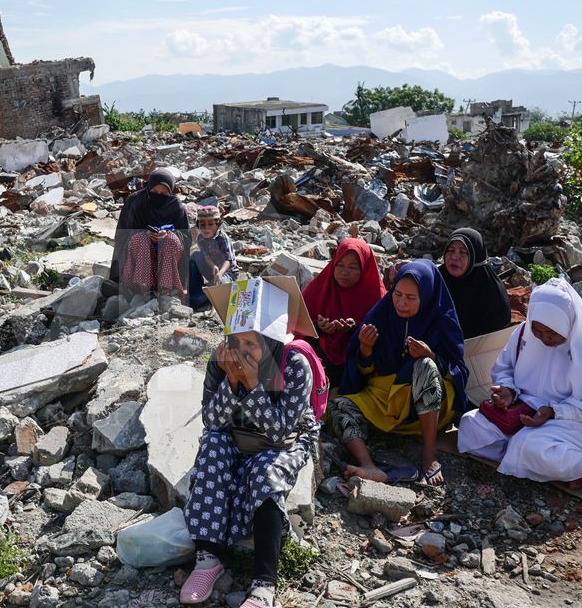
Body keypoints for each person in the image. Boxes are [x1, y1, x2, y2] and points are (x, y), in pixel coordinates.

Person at [457, 278, 582, 516]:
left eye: (552, 333)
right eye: (538, 331)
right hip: (522, 410)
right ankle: (564, 469)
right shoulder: (524, 333)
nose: (545, 339)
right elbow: (504, 368)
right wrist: (508, 390)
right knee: (470, 426)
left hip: (573, 422)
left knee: (528, 446)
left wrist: (553, 411)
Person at [180, 332, 318, 607]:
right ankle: (207, 558)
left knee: (266, 476)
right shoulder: (221, 359)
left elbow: (279, 432)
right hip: (235, 434)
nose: (240, 352)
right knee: (211, 448)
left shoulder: (294, 365)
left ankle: (264, 583)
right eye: (236, 342)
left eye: (251, 345)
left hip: (281, 441)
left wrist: (252, 383)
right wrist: (232, 383)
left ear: (270, 343)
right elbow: (212, 421)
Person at [325, 259, 468, 486]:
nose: (401, 303)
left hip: (425, 408)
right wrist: (365, 350)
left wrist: (431, 355)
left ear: (427, 296)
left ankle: (429, 454)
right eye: (397, 294)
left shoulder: (441, 320)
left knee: (424, 366)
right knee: (337, 406)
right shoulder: (383, 314)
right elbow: (364, 374)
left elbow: (459, 371)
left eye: (411, 298)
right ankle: (368, 465)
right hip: (385, 398)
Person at [302, 238, 386, 388]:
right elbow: (299, 325)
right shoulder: (320, 287)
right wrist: (319, 328)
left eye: (352, 267)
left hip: (359, 365)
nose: (343, 272)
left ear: (364, 268)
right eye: (339, 265)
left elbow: (385, 335)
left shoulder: (377, 297)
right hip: (319, 359)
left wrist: (355, 329)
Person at [109, 168, 191, 306]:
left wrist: (167, 234)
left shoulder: (175, 206)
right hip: (138, 255)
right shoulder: (135, 202)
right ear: (148, 188)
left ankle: (165, 289)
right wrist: (145, 234)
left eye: (164, 193)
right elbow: (122, 235)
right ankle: (143, 289)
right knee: (142, 240)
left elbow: (186, 238)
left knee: (171, 240)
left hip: (166, 256)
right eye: (154, 192)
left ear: (170, 192)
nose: (158, 196)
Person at [438, 228, 511, 339]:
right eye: (451, 250)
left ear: (475, 256)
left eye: (463, 252)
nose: (454, 257)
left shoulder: (492, 293)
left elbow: (494, 340)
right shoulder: (437, 279)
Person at [188, 206, 238, 310]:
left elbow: (228, 260)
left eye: (210, 224)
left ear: (218, 224)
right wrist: (213, 266)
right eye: (202, 224)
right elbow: (205, 256)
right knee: (194, 256)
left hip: (227, 273)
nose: (206, 228)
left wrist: (220, 272)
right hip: (212, 271)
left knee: (219, 283)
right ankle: (196, 294)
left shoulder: (222, 238)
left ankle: (204, 298)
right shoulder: (201, 238)